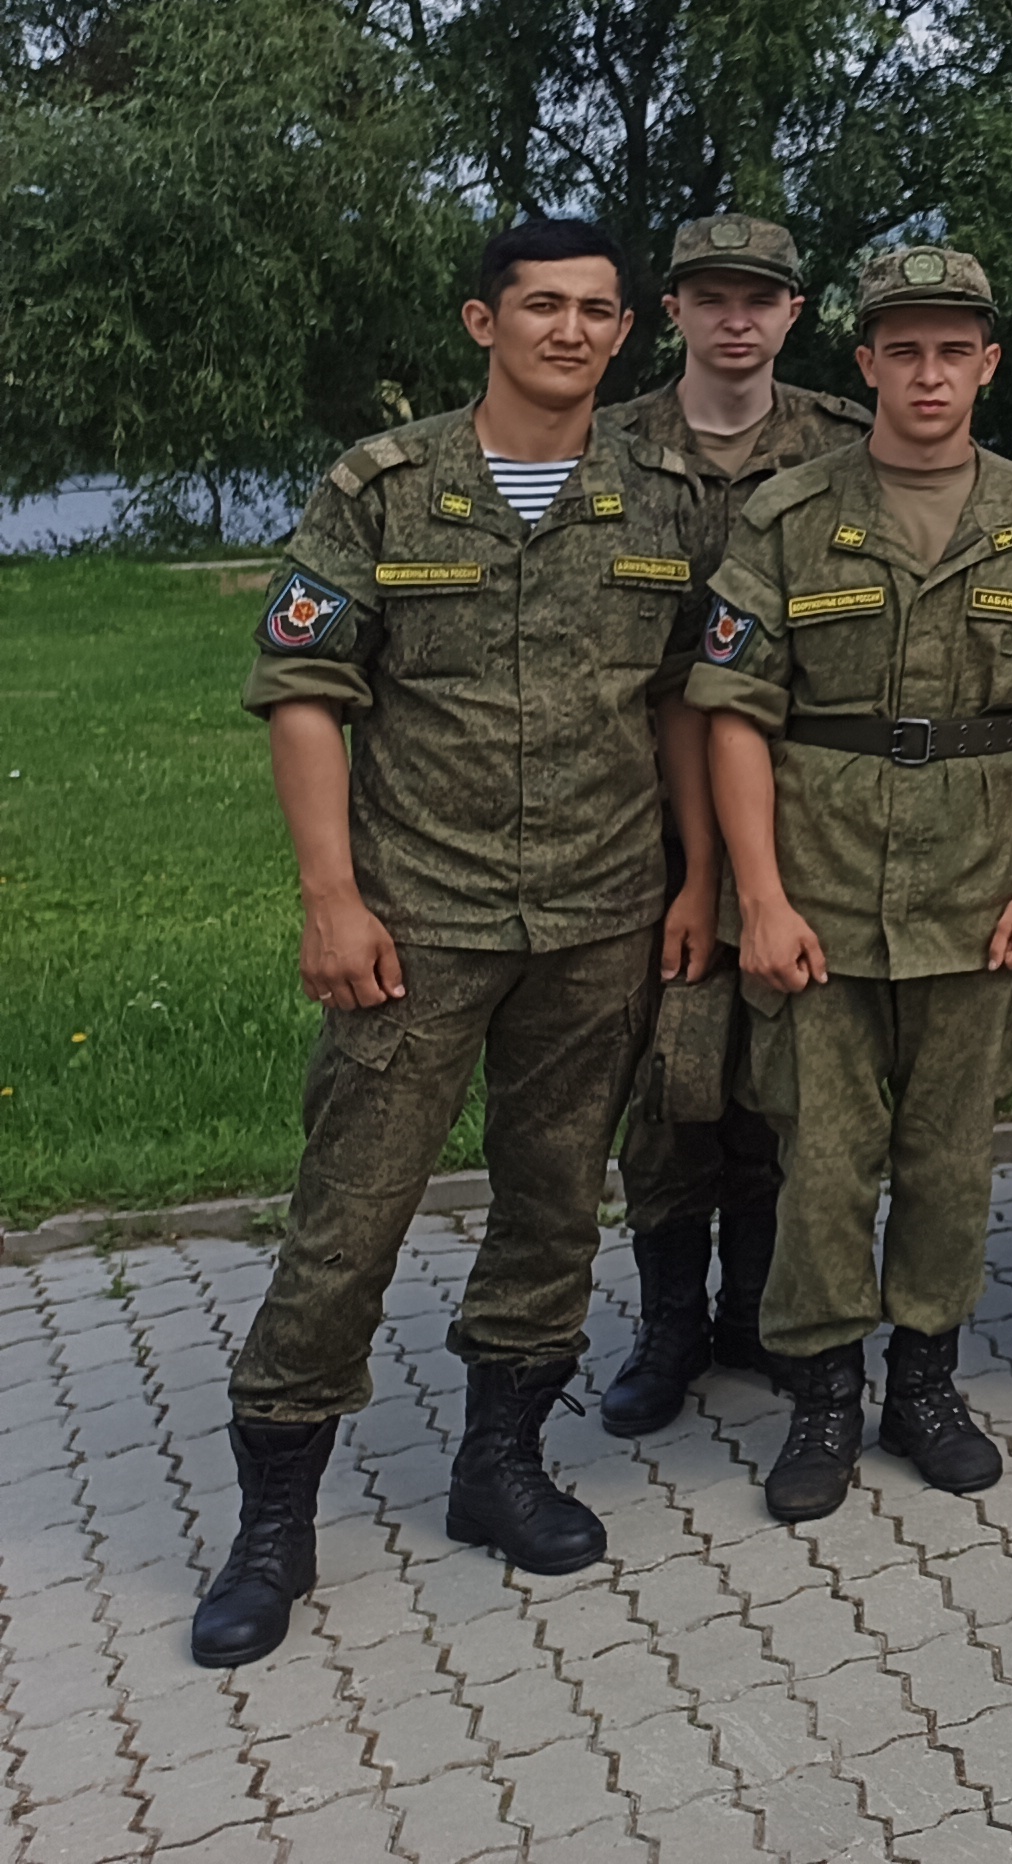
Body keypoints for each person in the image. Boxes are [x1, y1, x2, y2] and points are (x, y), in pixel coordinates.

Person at [196, 219, 702, 1669]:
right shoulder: (388, 486)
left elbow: (681, 704)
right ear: (484, 322)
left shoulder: (661, 497)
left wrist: (697, 882)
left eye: (597, 311)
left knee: (555, 1202)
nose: (570, 331)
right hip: (419, 914)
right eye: (541, 305)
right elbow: (304, 687)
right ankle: (274, 1524)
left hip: (601, 911)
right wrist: (329, 896)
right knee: (350, 1213)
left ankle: (500, 1467)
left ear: (623, 332)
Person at [688, 243, 1012, 1522]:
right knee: (822, 1163)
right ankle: (822, 1393)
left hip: (981, 893)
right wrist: (757, 898)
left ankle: (923, 1383)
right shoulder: (787, 518)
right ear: (865, 361)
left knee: (948, 1162)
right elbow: (734, 715)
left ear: (989, 365)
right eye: (904, 350)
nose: (929, 375)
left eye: (955, 351)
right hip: (819, 891)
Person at [596, 212, 873, 1441]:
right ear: (674, 313)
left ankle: (757, 1310)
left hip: (793, 817)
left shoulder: (846, 447)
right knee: (664, 1080)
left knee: (777, 1070)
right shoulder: (606, 450)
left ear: (794, 314)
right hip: (627, 816)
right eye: (711, 295)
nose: (736, 316)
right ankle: (668, 1326)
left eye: (759, 296)